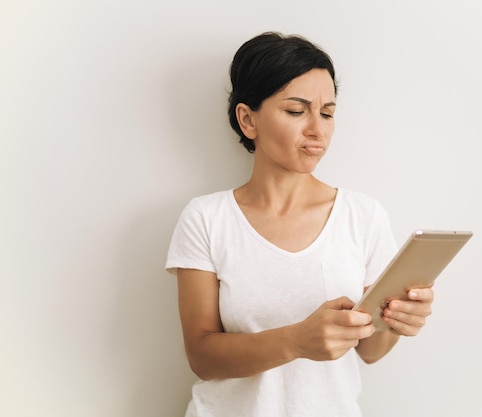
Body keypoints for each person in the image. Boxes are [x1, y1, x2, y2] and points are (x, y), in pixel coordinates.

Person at [165, 32, 434, 417]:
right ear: (247, 119)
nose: (317, 129)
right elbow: (202, 357)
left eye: (327, 113)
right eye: (296, 111)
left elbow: (371, 351)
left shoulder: (363, 215)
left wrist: (397, 320)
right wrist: (295, 340)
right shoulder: (207, 218)